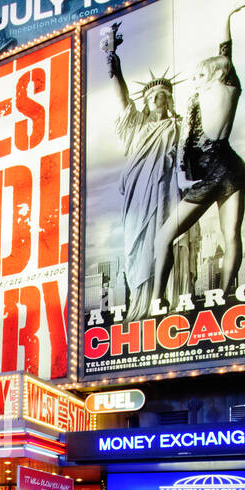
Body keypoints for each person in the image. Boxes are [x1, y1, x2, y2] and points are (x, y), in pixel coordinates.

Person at [152, 2, 245, 307]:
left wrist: (226, 18)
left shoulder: (217, 89)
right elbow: (226, 52)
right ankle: (224, 296)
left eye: (199, 74)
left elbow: (225, 52)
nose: (194, 79)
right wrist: (226, 19)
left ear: (212, 73)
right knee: (230, 234)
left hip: (214, 171)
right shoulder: (225, 89)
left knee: (164, 237)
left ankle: (157, 300)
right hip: (231, 167)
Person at [100, 20, 200, 320]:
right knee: (139, 249)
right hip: (140, 198)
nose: (158, 99)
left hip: (171, 193)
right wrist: (112, 60)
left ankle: (169, 301)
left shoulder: (179, 126)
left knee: (172, 242)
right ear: (146, 101)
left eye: (164, 96)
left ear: (170, 101)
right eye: (153, 96)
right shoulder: (137, 127)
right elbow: (121, 97)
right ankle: (142, 306)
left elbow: (193, 157)